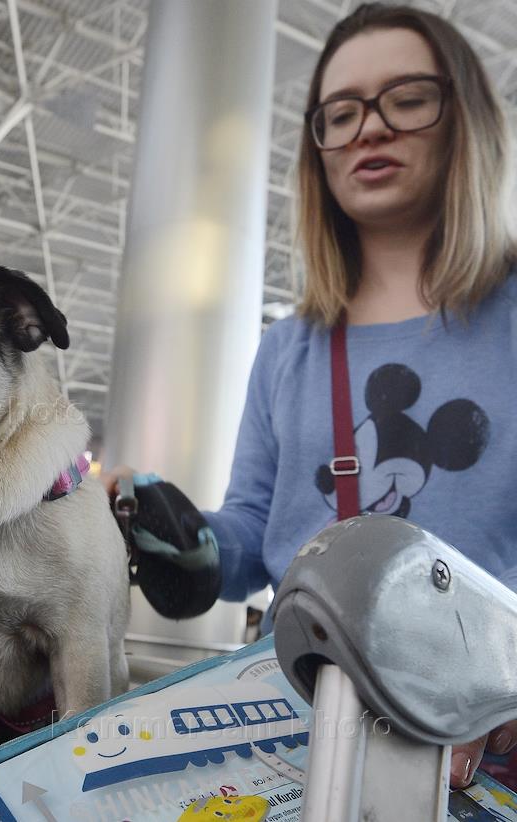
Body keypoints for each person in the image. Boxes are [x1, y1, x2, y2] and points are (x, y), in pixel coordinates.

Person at [108, 3, 517, 790]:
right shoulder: (286, 348)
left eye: (406, 99)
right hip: (298, 737)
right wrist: (181, 539)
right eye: (341, 112)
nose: (370, 127)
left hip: (480, 758)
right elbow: (255, 536)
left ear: (465, 118)